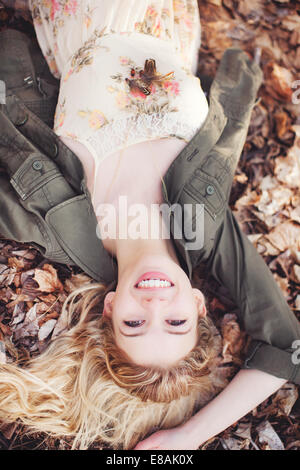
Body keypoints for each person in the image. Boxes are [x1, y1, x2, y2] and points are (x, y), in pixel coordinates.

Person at [0, 0, 299, 450]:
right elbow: (289, 348)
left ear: (111, 309)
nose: (155, 302)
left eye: (135, 323)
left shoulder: (52, 225)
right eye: (177, 321)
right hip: (168, 17)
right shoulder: (205, 227)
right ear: (199, 305)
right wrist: (188, 437)